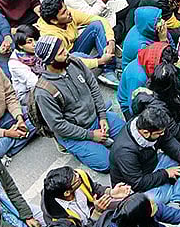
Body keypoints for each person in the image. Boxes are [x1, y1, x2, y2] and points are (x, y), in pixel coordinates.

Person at [32, 35, 126, 172]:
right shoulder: (44, 92)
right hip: (75, 133)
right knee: (107, 164)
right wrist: (91, 135)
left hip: (95, 118)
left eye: (64, 48)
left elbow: (93, 86)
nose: (66, 53)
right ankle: (71, 147)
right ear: (51, 61)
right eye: (61, 53)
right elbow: (58, 125)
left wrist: (103, 116)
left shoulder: (74, 62)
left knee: (128, 137)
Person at [109, 102, 180, 206]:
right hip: (135, 186)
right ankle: (176, 199)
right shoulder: (124, 152)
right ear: (145, 132)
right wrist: (166, 174)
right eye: (159, 133)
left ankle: (174, 189)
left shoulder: (149, 123)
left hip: (154, 164)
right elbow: (138, 183)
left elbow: (167, 140)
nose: (162, 134)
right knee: (151, 201)